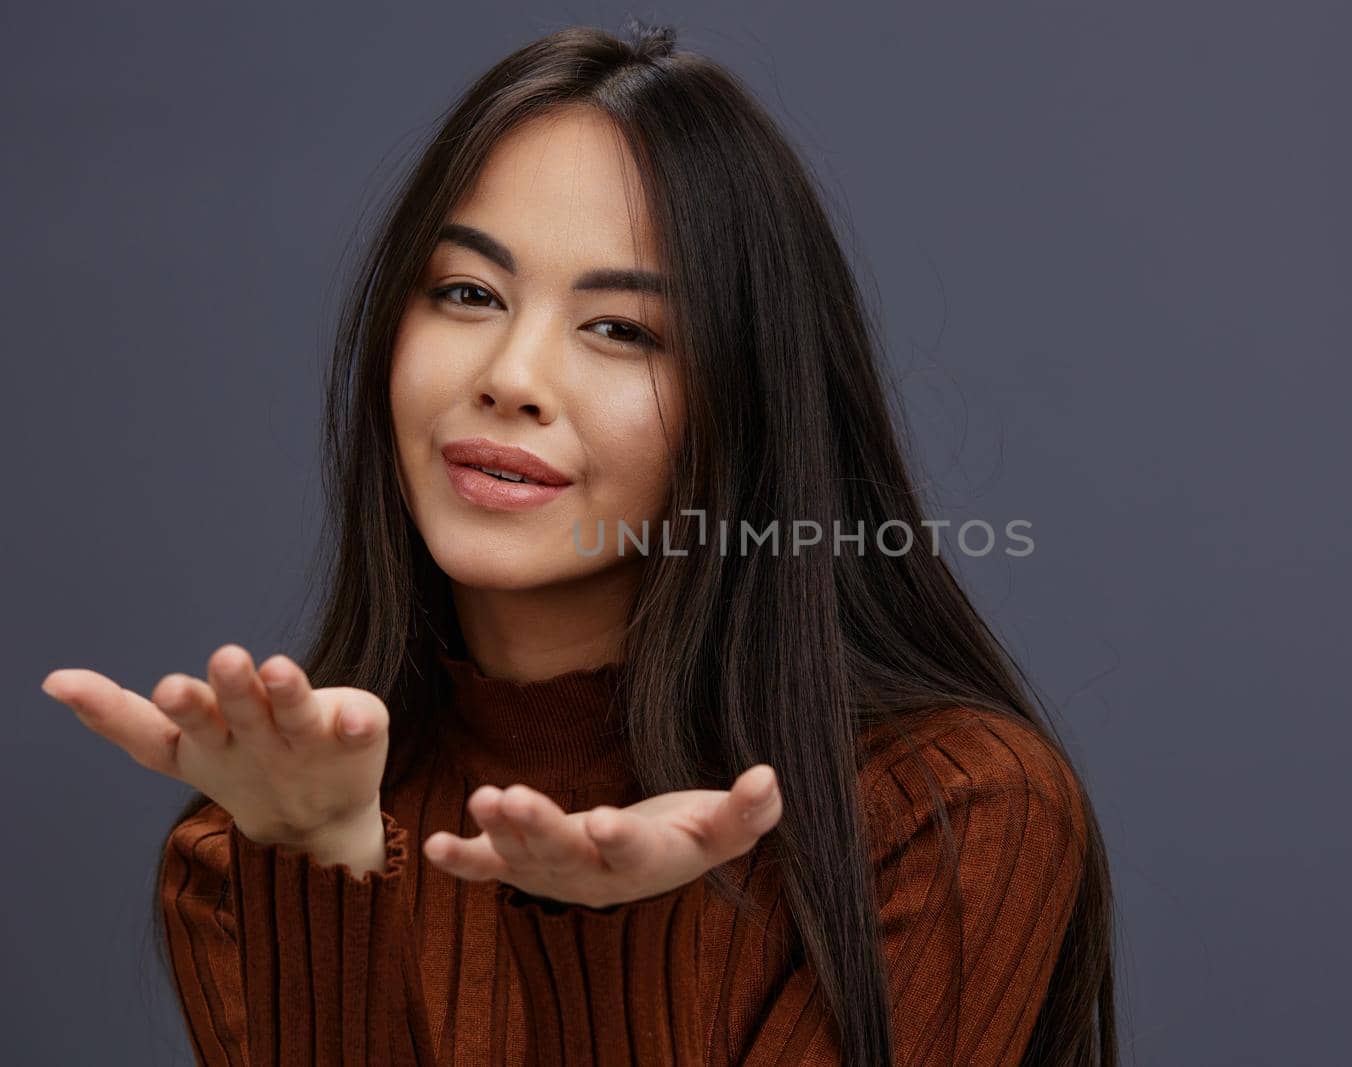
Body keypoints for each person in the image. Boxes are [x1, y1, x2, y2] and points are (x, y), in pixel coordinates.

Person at [40, 20, 1118, 1066]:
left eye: (620, 329)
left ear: (743, 401)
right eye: (467, 292)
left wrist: (612, 936)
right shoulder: (254, 849)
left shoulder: (949, 810)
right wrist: (320, 862)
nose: (509, 374)